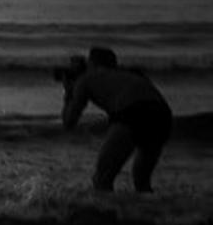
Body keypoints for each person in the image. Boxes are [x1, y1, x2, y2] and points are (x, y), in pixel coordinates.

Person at [61, 46, 173, 193]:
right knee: (142, 180)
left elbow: (69, 122)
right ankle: (152, 212)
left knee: (102, 178)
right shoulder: (132, 74)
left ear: (92, 64)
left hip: (132, 114)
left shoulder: (86, 79)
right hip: (162, 115)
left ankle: (107, 213)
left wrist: (69, 92)